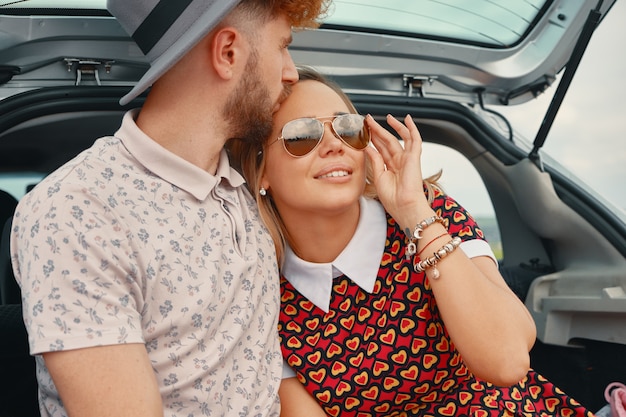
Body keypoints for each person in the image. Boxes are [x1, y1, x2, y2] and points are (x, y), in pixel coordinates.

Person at [9, 1, 329, 416]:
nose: (291, 72)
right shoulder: (78, 210)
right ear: (228, 52)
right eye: (282, 47)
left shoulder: (245, 189)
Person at [229, 67, 595, 416]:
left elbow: (508, 361)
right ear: (261, 172)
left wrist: (414, 216)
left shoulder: (430, 211)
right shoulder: (262, 291)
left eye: (348, 128)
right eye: (301, 135)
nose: (334, 145)